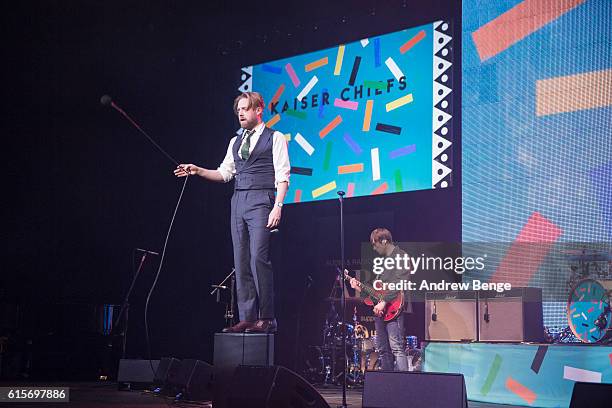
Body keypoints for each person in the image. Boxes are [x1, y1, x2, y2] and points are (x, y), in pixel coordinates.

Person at [174, 92, 290, 333]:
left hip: (262, 199)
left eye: (246, 108)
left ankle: (267, 317)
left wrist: (277, 206)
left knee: (259, 257)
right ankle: (247, 317)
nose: (241, 113)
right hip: (238, 200)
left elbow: (283, 176)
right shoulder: (235, 141)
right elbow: (224, 173)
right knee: (241, 259)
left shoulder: (275, 137)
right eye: (239, 109)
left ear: (259, 110)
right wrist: (197, 170)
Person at [350, 228, 412, 371]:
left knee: (396, 348)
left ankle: (402, 384)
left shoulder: (401, 257)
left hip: (393, 310)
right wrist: (360, 288)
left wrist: (384, 302)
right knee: (383, 350)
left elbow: (400, 283)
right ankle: (389, 384)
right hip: (381, 313)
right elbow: (377, 293)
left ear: (384, 241)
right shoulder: (383, 262)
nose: (373, 247)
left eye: (375, 244)